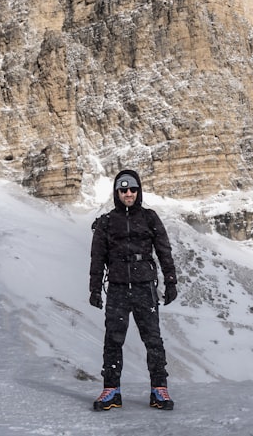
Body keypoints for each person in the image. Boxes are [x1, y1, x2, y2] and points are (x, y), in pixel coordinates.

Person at [89, 169, 178, 411]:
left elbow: (164, 250)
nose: (128, 193)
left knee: (153, 340)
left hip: (144, 287)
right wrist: (95, 289)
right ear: (116, 192)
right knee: (113, 340)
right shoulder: (106, 222)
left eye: (132, 189)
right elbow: (97, 258)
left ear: (138, 191)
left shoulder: (149, 218)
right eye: (123, 189)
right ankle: (111, 390)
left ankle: (159, 389)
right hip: (117, 288)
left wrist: (171, 281)